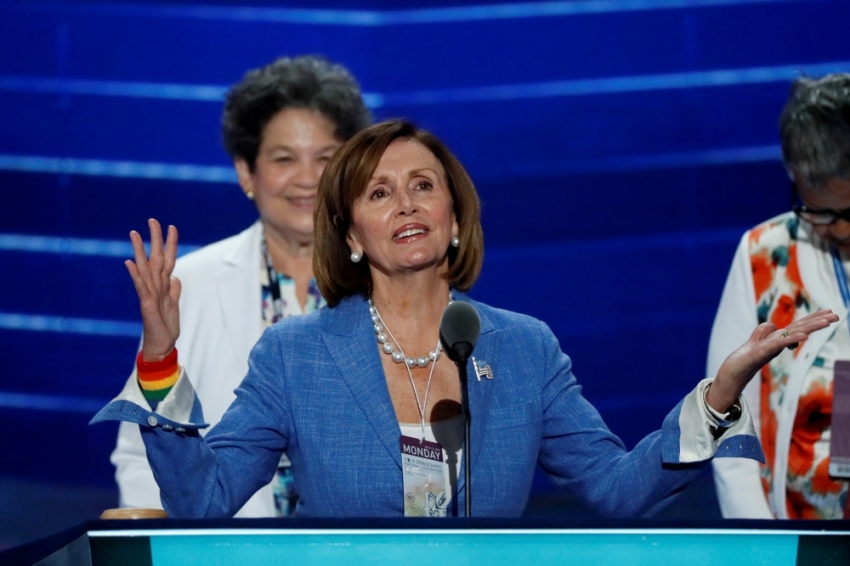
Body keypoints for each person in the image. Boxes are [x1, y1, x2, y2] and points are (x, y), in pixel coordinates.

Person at [93, 120, 837, 518]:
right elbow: (203, 499)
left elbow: (618, 488)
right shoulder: (296, 354)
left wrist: (720, 392)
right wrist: (160, 358)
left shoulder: (523, 347)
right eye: (379, 194)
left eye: (424, 185)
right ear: (351, 235)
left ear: (454, 220)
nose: (407, 203)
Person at [109, 55, 371, 518]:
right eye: (284, 158)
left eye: (326, 158)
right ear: (247, 172)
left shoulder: (386, 280)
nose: (308, 179)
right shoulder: (189, 282)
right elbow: (140, 450)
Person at [709, 73, 850, 519]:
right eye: (821, 212)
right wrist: (761, 543)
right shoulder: (763, 254)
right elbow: (728, 411)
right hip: (793, 529)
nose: (841, 229)